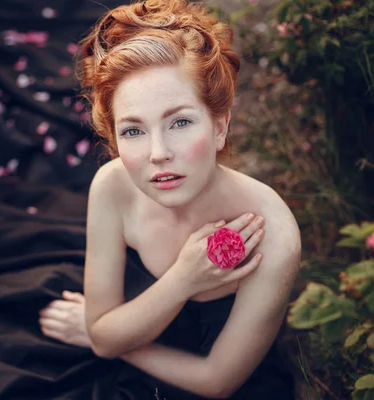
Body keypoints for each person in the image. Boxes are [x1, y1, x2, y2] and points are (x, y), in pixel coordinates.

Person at [38, 0, 301, 398]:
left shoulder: (274, 235)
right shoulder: (112, 186)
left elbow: (216, 381)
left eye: (179, 122)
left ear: (219, 126)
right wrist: (183, 280)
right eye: (132, 131)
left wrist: (108, 341)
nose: (158, 153)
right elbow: (105, 334)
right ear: (113, 140)